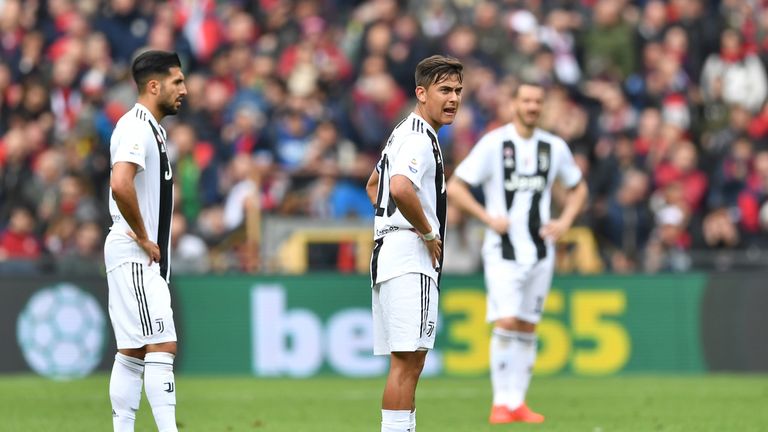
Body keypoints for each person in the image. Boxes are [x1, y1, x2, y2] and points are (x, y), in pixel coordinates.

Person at [446, 82, 588, 424]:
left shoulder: (553, 147)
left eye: (538, 101)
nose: (532, 107)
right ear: (513, 104)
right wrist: (487, 218)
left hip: (541, 250)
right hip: (503, 250)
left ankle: (518, 402)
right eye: (526, 100)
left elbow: (578, 186)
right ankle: (500, 402)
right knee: (507, 319)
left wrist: (565, 220)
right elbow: (456, 186)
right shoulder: (495, 143)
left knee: (528, 324)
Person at [366, 55, 463, 432]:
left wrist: (385, 225)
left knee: (408, 362)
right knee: (407, 364)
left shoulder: (401, 133)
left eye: (457, 90)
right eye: (444, 90)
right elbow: (399, 187)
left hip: (388, 253)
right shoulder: (421, 138)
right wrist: (427, 231)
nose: (453, 99)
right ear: (421, 93)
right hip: (410, 254)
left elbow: (373, 185)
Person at [105, 50, 186, 432]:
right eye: (177, 82)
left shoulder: (151, 127)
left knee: (133, 352)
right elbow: (120, 183)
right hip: (135, 251)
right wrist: (142, 234)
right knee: (162, 344)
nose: (184, 89)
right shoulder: (136, 125)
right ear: (153, 86)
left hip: (134, 252)